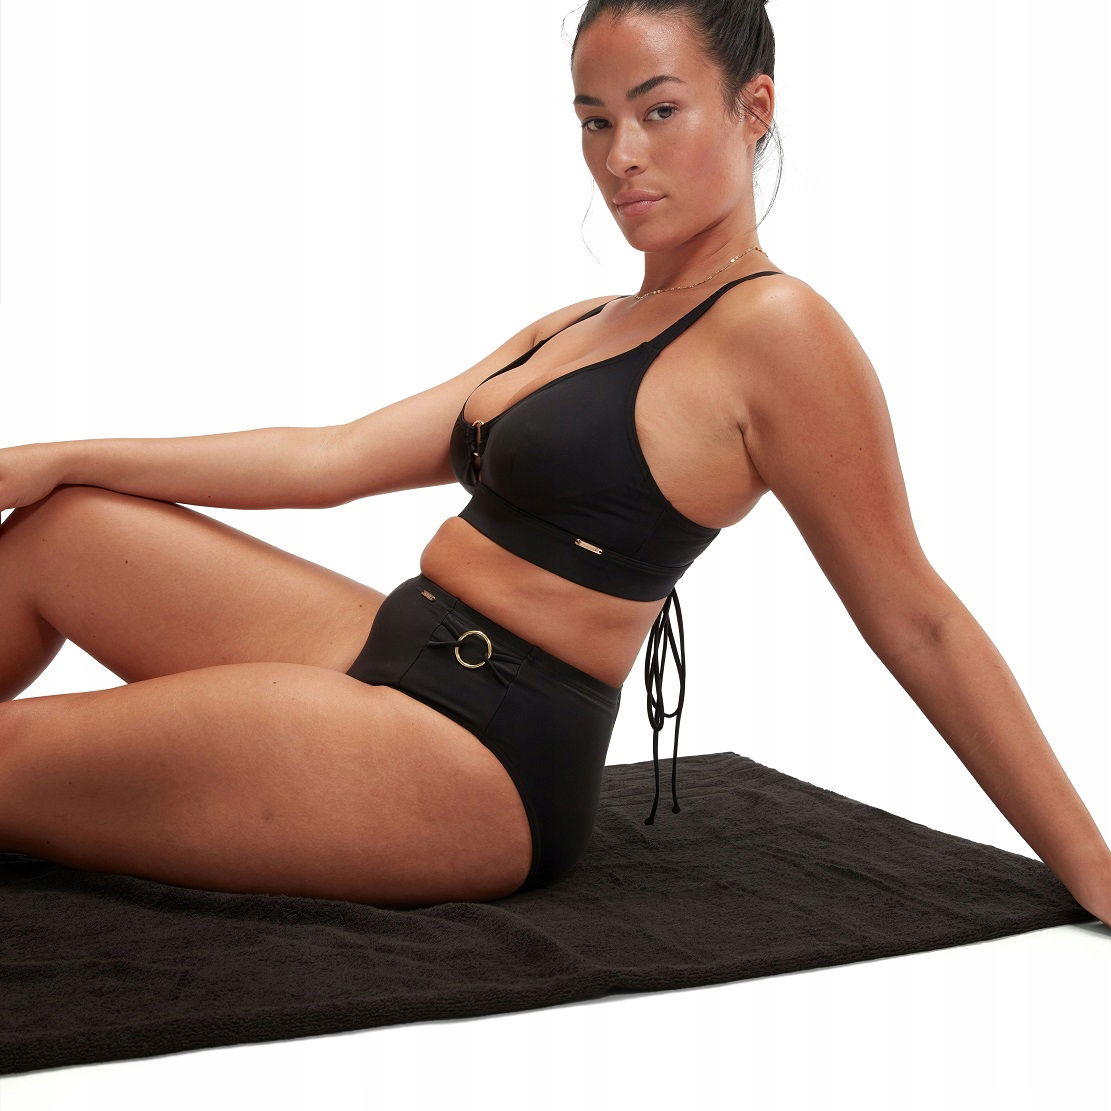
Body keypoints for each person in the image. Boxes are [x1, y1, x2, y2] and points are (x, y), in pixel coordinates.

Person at [1, 0, 1110, 923]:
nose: (619, 157)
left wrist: (1092, 864)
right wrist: (58, 456)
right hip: (398, 644)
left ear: (753, 107)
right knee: (65, 526)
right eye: (594, 120)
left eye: (658, 111)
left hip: (479, 756)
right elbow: (332, 456)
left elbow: (917, 619)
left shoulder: (779, 334)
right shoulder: (580, 323)